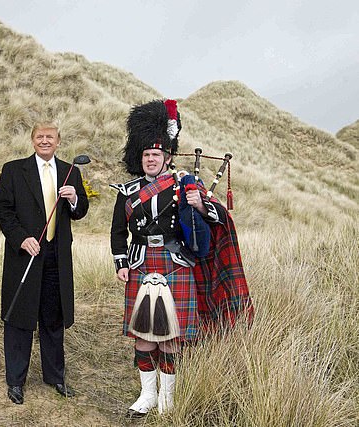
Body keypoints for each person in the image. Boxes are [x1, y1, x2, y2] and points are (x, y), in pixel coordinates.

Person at [110, 99, 252, 417]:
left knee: (171, 336)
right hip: (140, 263)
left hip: (176, 263)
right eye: (146, 155)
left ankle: (167, 399)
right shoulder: (127, 191)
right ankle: (147, 396)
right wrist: (121, 264)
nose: (150, 160)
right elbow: (118, 233)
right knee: (144, 335)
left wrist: (199, 204)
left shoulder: (184, 183)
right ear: (140, 157)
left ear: (167, 157)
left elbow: (219, 216)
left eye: (156, 155)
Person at [0, 121, 89, 404]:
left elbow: (80, 210)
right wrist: (21, 238)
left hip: (56, 257)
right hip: (25, 254)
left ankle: (55, 377)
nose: (45, 141)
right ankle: (15, 382)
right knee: (20, 318)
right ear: (33, 140)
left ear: (58, 141)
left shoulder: (70, 171)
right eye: (40, 136)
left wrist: (73, 199)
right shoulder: (13, 170)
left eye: (50, 137)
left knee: (52, 317)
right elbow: (3, 209)